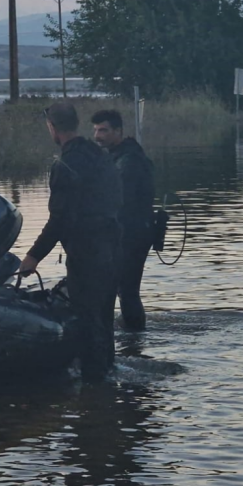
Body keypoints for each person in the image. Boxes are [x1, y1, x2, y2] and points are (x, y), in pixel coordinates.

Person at [19, 103, 122, 382]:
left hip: (87, 253)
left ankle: (95, 387)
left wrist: (33, 256)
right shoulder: (101, 155)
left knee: (88, 321)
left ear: (52, 128)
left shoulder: (64, 165)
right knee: (104, 318)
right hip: (113, 247)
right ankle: (109, 375)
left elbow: (59, 220)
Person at [91, 110, 155, 331]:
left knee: (126, 289)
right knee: (124, 288)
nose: (98, 135)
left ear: (118, 131)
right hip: (130, 233)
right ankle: (132, 334)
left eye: (103, 130)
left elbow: (120, 203)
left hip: (132, 235)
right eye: (96, 130)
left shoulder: (128, 161)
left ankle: (134, 338)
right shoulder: (119, 155)